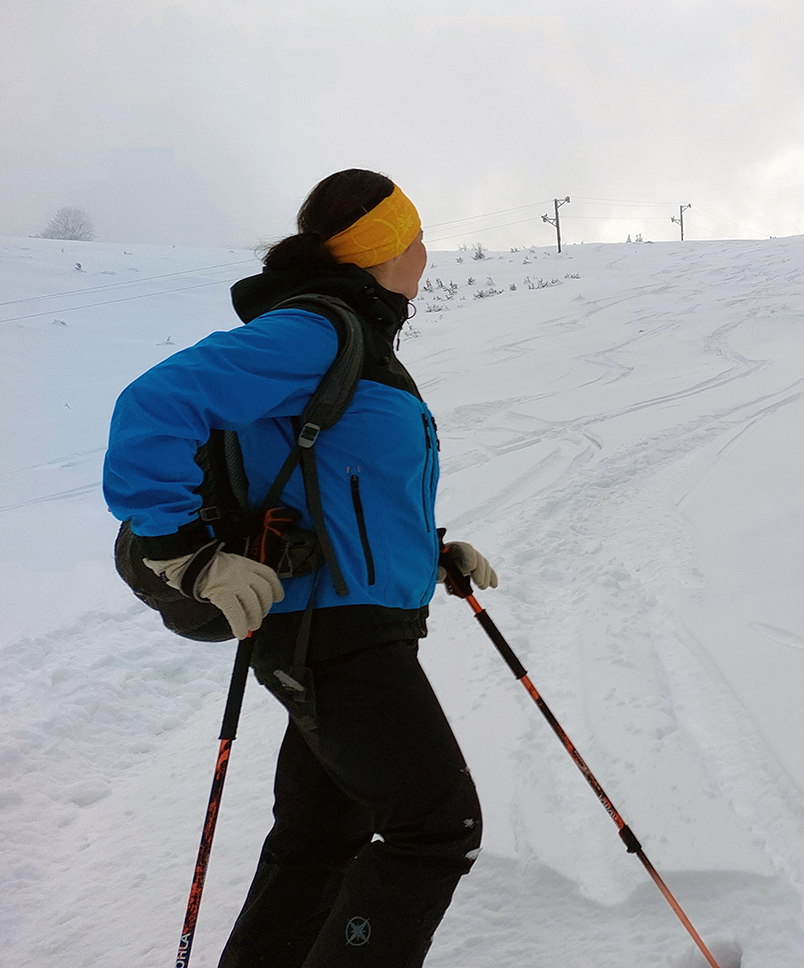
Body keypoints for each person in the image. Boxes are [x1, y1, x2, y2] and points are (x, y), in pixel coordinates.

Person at [103, 169, 498, 967]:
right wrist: (182, 550)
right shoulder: (318, 330)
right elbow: (154, 404)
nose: (427, 250)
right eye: (416, 236)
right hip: (332, 638)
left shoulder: (361, 341)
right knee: (435, 826)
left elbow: (346, 489)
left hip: (351, 627)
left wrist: (433, 554)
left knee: (324, 837)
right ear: (388, 251)